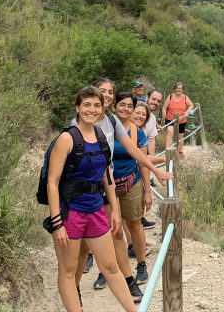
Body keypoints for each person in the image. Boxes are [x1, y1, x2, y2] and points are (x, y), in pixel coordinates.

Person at [74, 78, 172, 302]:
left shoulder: (111, 121)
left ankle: (128, 281)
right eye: (102, 92)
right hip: (84, 191)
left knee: (116, 232)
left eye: (110, 92)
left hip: (107, 186)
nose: (107, 95)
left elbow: (135, 151)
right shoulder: (77, 124)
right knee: (83, 245)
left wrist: (155, 172)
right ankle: (75, 288)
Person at [47, 86, 137, 312]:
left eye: (96, 105)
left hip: (96, 210)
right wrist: (57, 223)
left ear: (103, 108)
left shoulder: (101, 136)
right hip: (71, 213)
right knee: (68, 272)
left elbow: (107, 175)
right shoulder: (67, 139)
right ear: (77, 108)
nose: (92, 109)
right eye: (86, 105)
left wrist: (115, 209)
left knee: (110, 266)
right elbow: (52, 182)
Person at [109, 93, 161, 286]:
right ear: (115, 107)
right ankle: (115, 268)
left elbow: (143, 162)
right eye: (122, 105)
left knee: (134, 225)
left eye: (129, 106)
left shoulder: (137, 133)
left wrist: (148, 191)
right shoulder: (104, 128)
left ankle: (141, 265)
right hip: (107, 185)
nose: (125, 109)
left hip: (132, 182)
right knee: (113, 229)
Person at [132, 98, 160, 229]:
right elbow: (142, 159)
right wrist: (162, 161)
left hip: (131, 177)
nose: (141, 117)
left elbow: (142, 158)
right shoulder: (119, 131)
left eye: (144, 115)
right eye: (137, 113)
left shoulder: (140, 133)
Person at [162, 82, 194, 159]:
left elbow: (191, 105)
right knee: (170, 133)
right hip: (170, 119)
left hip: (181, 120)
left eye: (180, 89)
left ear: (183, 90)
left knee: (180, 136)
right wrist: (164, 113)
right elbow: (164, 107)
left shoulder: (185, 97)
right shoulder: (170, 97)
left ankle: (180, 152)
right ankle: (167, 151)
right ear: (174, 89)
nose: (178, 90)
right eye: (177, 88)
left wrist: (187, 112)